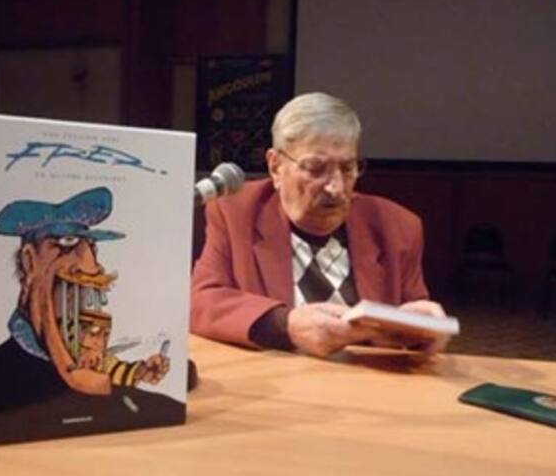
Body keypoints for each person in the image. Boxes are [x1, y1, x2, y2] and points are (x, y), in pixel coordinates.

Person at [191, 92, 448, 358]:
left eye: (348, 168)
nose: (336, 187)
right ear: (276, 166)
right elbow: (200, 301)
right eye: (315, 168)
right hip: (274, 377)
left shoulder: (397, 227)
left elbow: (414, 327)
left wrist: (425, 330)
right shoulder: (236, 212)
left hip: (365, 379)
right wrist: (287, 324)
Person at [0, 187, 184, 448]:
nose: (89, 261)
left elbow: (111, 372)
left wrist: (141, 371)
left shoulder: (145, 407)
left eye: (91, 246)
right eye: (67, 242)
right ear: (29, 261)